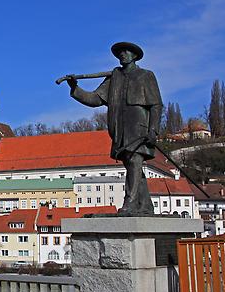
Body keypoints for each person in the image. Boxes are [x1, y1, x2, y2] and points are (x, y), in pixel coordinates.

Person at [67, 42, 162, 216]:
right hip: (119, 128)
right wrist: (75, 88)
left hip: (138, 127)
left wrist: (153, 130)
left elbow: (156, 105)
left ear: (134, 56)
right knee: (133, 166)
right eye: (120, 52)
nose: (122, 54)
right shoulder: (114, 77)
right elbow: (95, 99)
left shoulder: (145, 76)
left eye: (126, 52)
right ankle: (145, 204)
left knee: (134, 162)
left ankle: (130, 203)